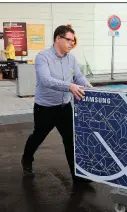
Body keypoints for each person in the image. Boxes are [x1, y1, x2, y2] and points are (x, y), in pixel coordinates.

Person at [21, 25, 93, 184]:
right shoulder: (43, 57)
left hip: (64, 108)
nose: (71, 43)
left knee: (70, 140)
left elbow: (78, 76)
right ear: (58, 39)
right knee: (38, 137)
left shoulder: (71, 58)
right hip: (45, 108)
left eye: (73, 41)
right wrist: (69, 86)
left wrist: (90, 88)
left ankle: (77, 176)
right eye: (69, 40)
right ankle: (26, 159)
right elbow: (46, 80)